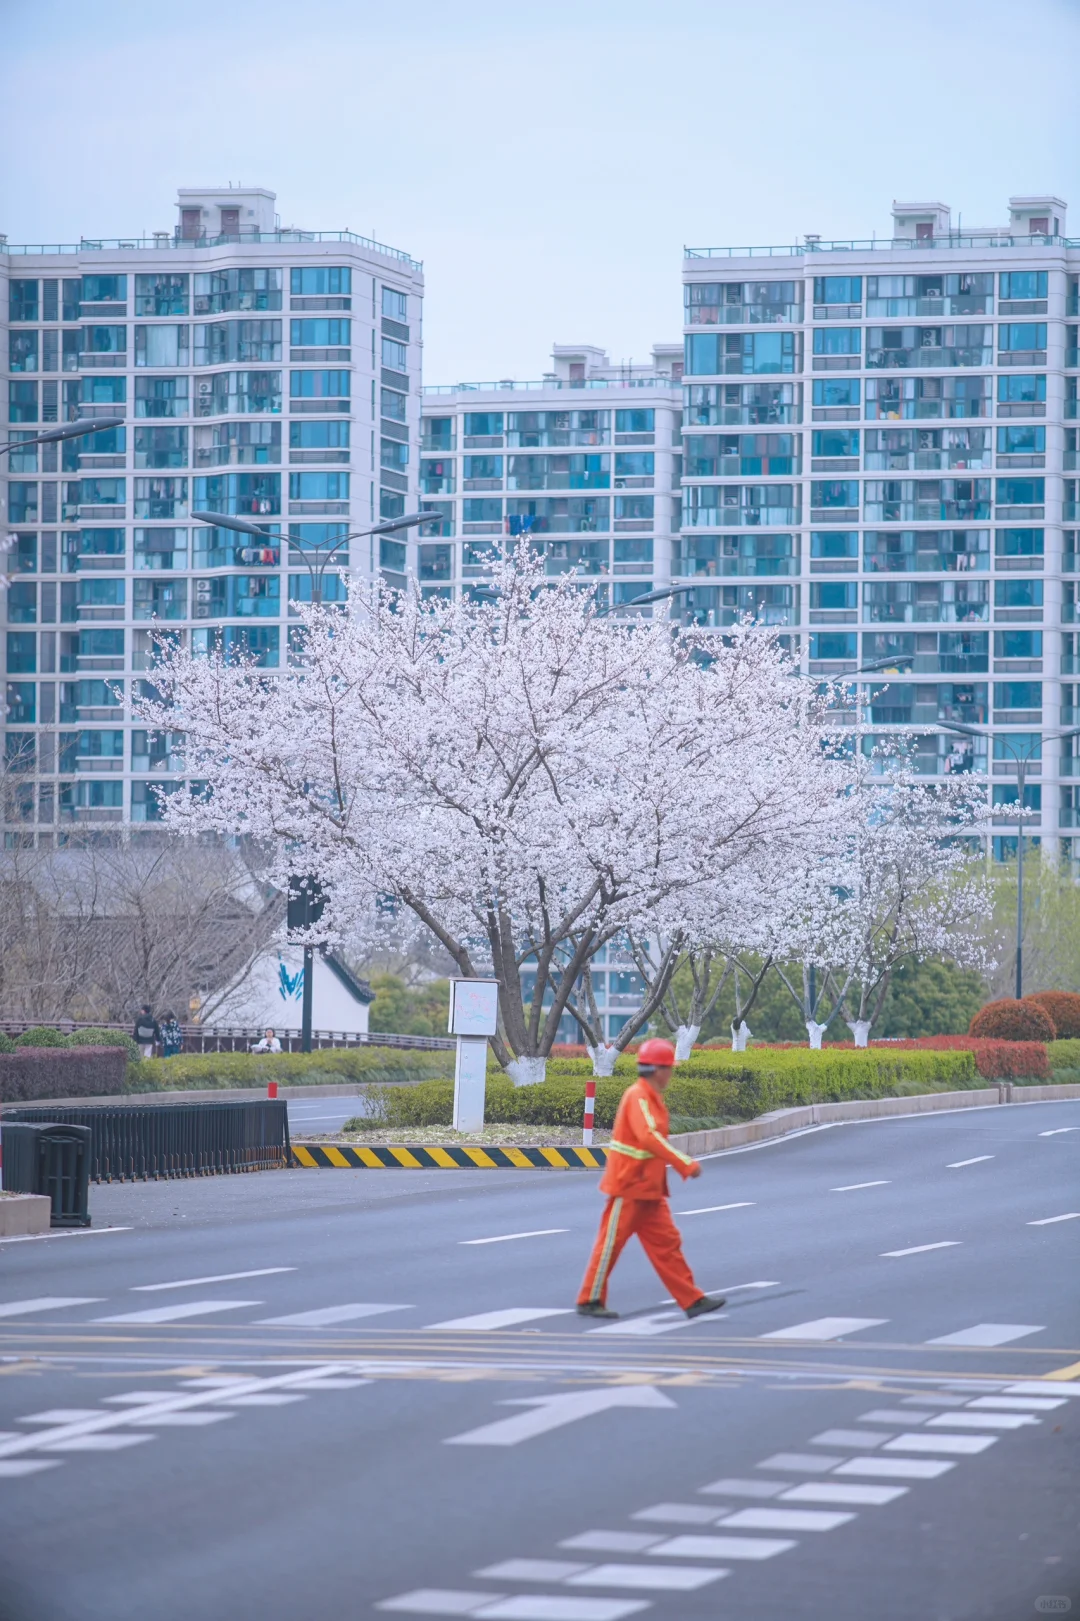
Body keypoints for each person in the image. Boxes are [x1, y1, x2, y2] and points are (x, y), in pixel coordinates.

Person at [577, 1037, 725, 1321]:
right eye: (670, 1068)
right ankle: (589, 1298)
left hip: (650, 1188)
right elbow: (648, 1137)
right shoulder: (638, 1096)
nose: (671, 1073)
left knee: (668, 1243)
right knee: (611, 1243)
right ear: (658, 1070)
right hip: (630, 1185)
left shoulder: (650, 1096)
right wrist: (684, 1163)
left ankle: (691, 1299)